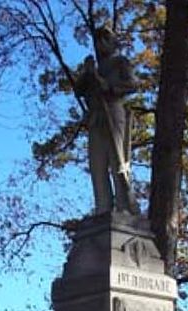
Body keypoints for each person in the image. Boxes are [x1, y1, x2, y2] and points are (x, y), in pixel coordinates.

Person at [74, 25, 139, 215]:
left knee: (117, 161)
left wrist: (109, 86)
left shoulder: (120, 62)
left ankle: (124, 206)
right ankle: (103, 207)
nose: (101, 45)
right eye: (98, 42)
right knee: (97, 165)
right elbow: (79, 90)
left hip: (113, 112)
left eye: (104, 40)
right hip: (96, 117)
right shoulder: (95, 68)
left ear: (112, 43)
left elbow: (132, 84)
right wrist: (87, 73)